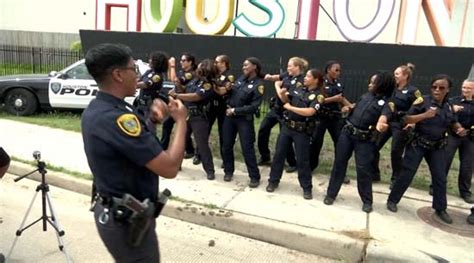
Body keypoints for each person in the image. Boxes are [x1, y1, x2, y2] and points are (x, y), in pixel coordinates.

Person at [82, 43, 187, 261]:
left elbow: (129, 145)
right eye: (134, 70)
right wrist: (181, 122)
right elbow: (169, 167)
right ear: (118, 75)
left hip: (117, 213)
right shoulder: (118, 117)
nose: (137, 75)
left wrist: (153, 120)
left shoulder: (99, 108)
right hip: (126, 222)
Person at [387, 74, 465, 224]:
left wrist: (459, 128)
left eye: (441, 88)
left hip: (437, 147)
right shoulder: (423, 101)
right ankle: (392, 200)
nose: (437, 90)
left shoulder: (448, 106)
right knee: (407, 173)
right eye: (434, 87)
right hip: (418, 143)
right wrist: (425, 115)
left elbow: (453, 121)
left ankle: (440, 208)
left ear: (448, 90)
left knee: (440, 177)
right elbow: (406, 119)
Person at [324, 71, 396, 213]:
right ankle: (331, 194)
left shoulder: (388, 103)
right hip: (347, 134)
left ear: (382, 85)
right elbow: (357, 107)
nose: (370, 84)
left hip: (364, 140)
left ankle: (367, 201)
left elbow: (384, 117)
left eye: (373, 82)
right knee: (339, 164)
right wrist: (349, 108)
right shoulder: (366, 95)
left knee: (363, 170)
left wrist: (381, 125)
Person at [266, 68, 324, 199]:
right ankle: (273, 181)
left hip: (302, 131)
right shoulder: (298, 88)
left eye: (308, 76)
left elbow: (310, 111)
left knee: (303, 160)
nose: (305, 78)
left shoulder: (318, 96)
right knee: (279, 155)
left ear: (316, 80)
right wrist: (282, 94)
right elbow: (286, 100)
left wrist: (291, 108)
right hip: (287, 127)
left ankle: (306, 188)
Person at [373, 63, 422, 184]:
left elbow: (420, 105)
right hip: (388, 121)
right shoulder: (391, 88)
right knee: (374, 145)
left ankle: (396, 179)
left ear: (405, 76)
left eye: (397, 74)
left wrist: (412, 121)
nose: (394, 76)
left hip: (401, 124)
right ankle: (374, 173)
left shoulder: (413, 91)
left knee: (396, 151)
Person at [169, 59, 217, 180]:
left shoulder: (208, 84)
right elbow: (184, 91)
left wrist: (177, 95)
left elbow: (196, 97)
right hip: (187, 114)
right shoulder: (194, 81)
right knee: (181, 141)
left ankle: (210, 171)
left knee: (202, 144)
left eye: (199, 67)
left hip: (199, 117)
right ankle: (176, 165)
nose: (197, 69)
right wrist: (178, 86)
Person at [257, 57, 306, 173]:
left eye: (290, 66)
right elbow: (277, 77)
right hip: (275, 109)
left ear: (297, 67)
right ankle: (265, 156)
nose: (287, 68)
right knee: (263, 129)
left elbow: (284, 97)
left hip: (286, 112)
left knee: (285, 138)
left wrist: (277, 86)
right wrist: (269, 77)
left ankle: (292, 162)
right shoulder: (287, 75)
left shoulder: (300, 81)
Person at [222, 57, 264, 187]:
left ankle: (254, 177)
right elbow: (231, 95)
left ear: (254, 67)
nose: (243, 67)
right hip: (230, 118)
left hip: (244, 120)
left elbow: (253, 106)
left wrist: (235, 110)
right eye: (243, 65)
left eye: (246, 65)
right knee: (226, 145)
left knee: (247, 148)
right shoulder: (240, 79)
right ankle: (228, 171)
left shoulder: (259, 85)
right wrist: (228, 90)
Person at [310, 61, 352, 182]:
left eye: (339, 70)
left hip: (335, 118)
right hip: (321, 117)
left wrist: (350, 106)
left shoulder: (339, 83)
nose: (339, 72)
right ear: (328, 70)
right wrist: (333, 99)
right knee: (316, 143)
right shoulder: (321, 82)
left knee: (341, 145)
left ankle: (340, 172)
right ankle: (310, 167)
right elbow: (318, 100)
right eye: (336, 70)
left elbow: (341, 99)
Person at [161, 52, 199, 164]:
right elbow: (171, 78)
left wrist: (172, 66)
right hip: (175, 102)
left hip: (184, 104)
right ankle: (163, 149)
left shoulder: (191, 73)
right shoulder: (182, 72)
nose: (181, 63)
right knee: (167, 125)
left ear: (190, 62)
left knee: (183, 129)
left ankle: (190, 150)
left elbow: (174, 80)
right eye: (181, 61)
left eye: (183, 61)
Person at [444, 79, 473, 203]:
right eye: (464, 87)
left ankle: (465, 192)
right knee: (445, 161)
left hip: (470, 138)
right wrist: (457, 127)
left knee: (467, 166)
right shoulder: (453, 101)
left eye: (468, 88)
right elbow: (448, 116)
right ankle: (435, 187)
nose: (465, 90)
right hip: (453, 135)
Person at [135, 51, 172, 133]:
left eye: (151, 59)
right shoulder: (149, 72)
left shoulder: (157, 76)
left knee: (149, 130)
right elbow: (139, 80)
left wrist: (131, 84)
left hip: (149, 107)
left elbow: (145, 84)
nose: (149, 61)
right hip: (141, 105)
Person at [209, 55, 235, 162]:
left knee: (223, 133)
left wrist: (211, 85)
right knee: (204, 130)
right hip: (211, 106)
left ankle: (225, 159)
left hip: (222, 107)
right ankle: (199, 154)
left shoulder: (229, 76)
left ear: (224, 63)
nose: (215, 64)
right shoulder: (213, 74)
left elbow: (223, 91)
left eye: (217, 62)